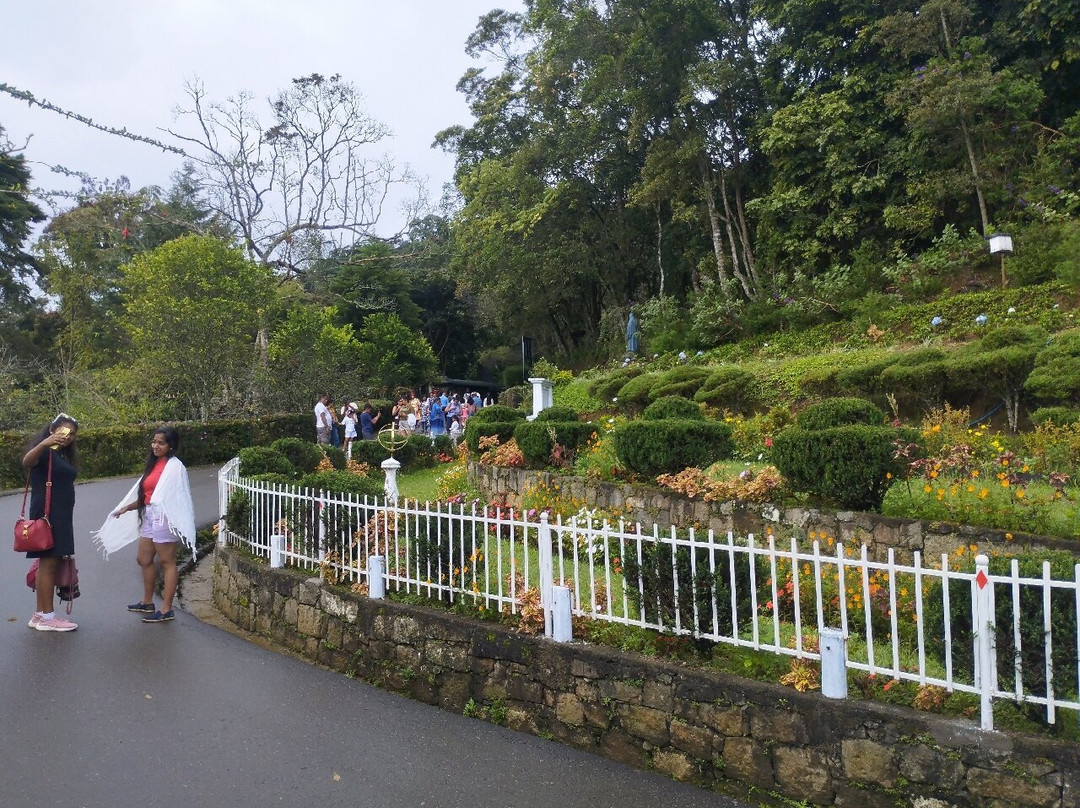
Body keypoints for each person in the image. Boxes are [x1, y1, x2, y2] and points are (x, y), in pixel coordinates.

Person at [93, 426, 197, 624]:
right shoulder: (154, 464)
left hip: (165, 517)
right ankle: (147, 602)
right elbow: (148, 495)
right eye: (154, 442)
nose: (156, 446)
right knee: (143, 558)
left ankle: (166, 609)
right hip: (150, 515)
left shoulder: (175, 467)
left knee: (167, 562)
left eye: (161, 443)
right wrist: (128, 508)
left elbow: (176, 497)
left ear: (170, 446)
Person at [23, 413, 80, 632]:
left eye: (72, 434)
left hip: (61, 515)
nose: (67, 436)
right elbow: (27, 461)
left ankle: (39, 615)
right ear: (52, 430)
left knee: (48, 564)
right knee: (48, 564)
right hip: (49, 515)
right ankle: (47, 617)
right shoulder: (45, 452)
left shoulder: (62, 456)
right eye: (63, 431)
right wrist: (45, 443)